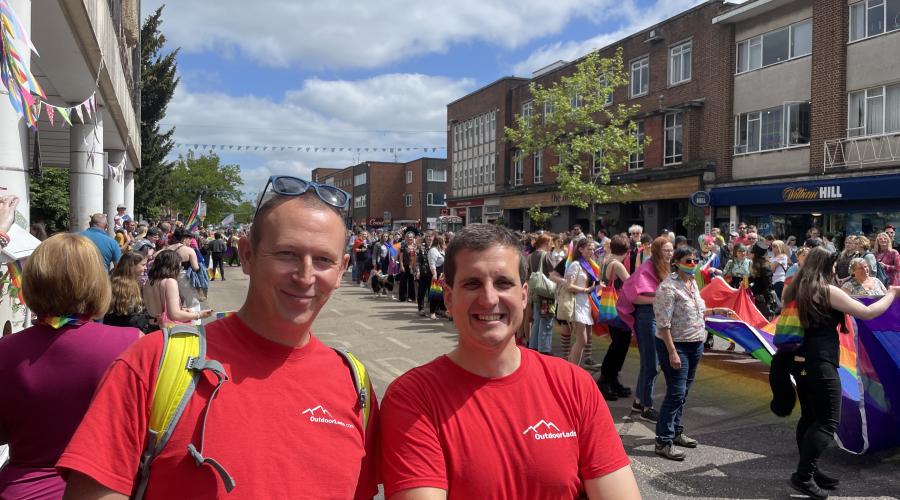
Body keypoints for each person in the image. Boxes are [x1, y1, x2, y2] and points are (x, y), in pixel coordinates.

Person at [58, 176, 379, 499]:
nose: (305, 275)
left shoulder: (354, 384)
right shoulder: (153, 362)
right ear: (247, 255)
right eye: (287, 254)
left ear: (342, 270)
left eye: (323, 260)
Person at [379, 224, 640, 499]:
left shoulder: (575, 385)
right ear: (449, 298)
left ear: (524, 295)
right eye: (472, 283)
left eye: (503, 283)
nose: (489, 298)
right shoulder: (413, 398)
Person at [0, 234, 141, 499]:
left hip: (23, 489)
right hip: (106, 488)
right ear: (98, 283)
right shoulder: (133, 343)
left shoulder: (5, 351)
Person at [782, 247, 899, 499]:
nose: (836, 269)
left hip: (799, 361)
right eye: (834, 265)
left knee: (810, 417)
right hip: (819, 361)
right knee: (827, 421)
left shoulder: (793, 288)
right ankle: (803, 477)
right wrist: (891, 294)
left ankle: (809, 470)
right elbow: (867, 313)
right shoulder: (825, 290)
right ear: (826, 265)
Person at [653, 246, 707, 461]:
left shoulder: (692, 283)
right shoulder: (667, 288)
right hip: (676, 346)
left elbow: (694, 311)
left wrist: (716, 311)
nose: (693, 264)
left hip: (695, 343)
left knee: (683, 392)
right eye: (688, 260)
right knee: (676, 393)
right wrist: (672, 353)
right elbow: (663, 325)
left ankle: (675, 432)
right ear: (676, 262)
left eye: (695, 260)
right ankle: (663, 441)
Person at [617, 236, 674, 422]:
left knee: (649, 363)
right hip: (647, 318)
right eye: (666, 250)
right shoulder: (647, 268)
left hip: (657, 317)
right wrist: (659, 299)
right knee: (652, 363)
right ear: (657, 251)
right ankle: (647, 407)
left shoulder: (666, 268)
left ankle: (639, 401)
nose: (669, 253)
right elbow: (635, 297)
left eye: (671, 250)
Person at [596, 235, 632, 401]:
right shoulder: (617, 264)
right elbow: (631, 283)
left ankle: (611, 379)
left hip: (610, 307)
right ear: (626, 251)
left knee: (618, 345)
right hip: (619, 308)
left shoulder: (606, 259)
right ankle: (605, 380)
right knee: (619, 345)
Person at [565, 238, 598, 365]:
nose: (592, 251)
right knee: (582, 340)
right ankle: (573, 369)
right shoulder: (575, 265)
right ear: (580, 249)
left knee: (585, 339)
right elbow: (568, 286)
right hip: (577, 303)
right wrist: (585, 290)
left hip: (587, 303)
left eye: (593, 249)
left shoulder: (588, 264)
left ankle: (570, 365)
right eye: (589, 249)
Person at [104, 251, 152, 333]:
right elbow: (129, 316)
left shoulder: (114, 279)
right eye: (143, 265)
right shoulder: (128, 287)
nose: (145, 268)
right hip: (125, 330)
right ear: (132, 266)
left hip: (110, 326)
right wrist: (149, 317)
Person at [527, 232, 554, 354]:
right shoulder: (546, 255)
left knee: (537, 319)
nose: (552, 245)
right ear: (545, 243)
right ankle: (544, 349)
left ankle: (534, 346)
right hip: (546, 292)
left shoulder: (530, 256)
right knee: (547, 320)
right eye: (550, 243)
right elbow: (553, 274)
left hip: (535, 291)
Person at [428, 234, 447, 320]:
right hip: (437, 274)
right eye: (443, 241)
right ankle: (432, 313)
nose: (445, 242)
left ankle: (443, 310)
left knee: (442, 294)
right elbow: (432, 263)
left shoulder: (441, 250)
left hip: (442, 274)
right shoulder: (433, 251)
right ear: (440, 242)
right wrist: (434, 274)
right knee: (435, 294)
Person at [415, 231, 434, 316]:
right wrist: (418, 271)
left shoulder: (436, 248)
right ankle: (421, 308)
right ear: (425, 238)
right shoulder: (421, 248)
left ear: (433, 238)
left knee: (432, 292)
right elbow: (418, 261)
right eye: (427, 237)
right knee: (421, 291)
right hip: (423, 272)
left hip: (433, 273)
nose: (429, 238)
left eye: (430, 237)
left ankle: (432, 309)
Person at [398, 232, 417, 303]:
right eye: (408, 237)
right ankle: (402, 297)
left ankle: (411, 297)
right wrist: (401, 265)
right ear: (405, 238)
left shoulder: (415, 246)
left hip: (413, 267)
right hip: (405, 266)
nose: (409, 238)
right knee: (403, 281)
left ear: (413, 238)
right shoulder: (403, 246)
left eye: (411, 237)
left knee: (411, 282)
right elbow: (401, 257)